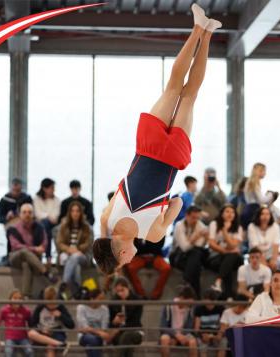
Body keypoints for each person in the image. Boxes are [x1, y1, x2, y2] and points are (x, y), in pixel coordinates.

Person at [94, 5, 223, 274]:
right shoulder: (106, 219)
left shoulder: (151, 234)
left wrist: (164, 210)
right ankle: (198, 28)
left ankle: (208, 33)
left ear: (122, 253)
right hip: (147, 146)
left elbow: (177, 202)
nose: (130, 261)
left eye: (124, 262)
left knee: (189, 95)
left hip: (171, 158)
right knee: (174, 87)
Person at [7, 203, 56, 297]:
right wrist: (34, 249)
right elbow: (16, 246)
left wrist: (37, 249)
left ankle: (26, 295)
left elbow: (44, 244)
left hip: (32, 259)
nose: (27, 214)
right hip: (16, 257)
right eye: (24, 212)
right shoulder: (13, 229)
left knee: (27, 264)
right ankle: (45, 272)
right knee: (24, 251)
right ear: (20, 214)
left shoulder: (40, 228)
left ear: (33, 214)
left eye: (29, 212)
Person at [55, 200, 93, 298]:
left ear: (81, 213)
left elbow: (88, 243)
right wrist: (69, 249)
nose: (75, 213)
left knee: (75, 257)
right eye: (73, 211)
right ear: (69, 212)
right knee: (75, 266)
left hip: (83, 255)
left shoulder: (86, 227)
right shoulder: (64, 226)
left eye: (77, 211)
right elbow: (59, 242)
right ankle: (77, 293)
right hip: (67, 254)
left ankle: (64, 284)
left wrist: (77, 249)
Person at [207, 204, 244, 298]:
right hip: (216, 257)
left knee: (232, 257)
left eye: (232, 212)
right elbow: (211, 244)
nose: (230, 214)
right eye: (227, 211)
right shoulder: (214, 224)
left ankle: (218, 281)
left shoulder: (238, 228)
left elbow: (232, 245)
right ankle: (229, 296)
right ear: (222, 213)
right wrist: (225, 251)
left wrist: (224, 231)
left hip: (235, 259)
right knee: (229, 263)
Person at [170, 205, 209, 296]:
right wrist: (195, 237)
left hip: (193, 255)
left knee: (196, 255)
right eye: (193, 218)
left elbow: (200, 246)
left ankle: (186, 284)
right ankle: (196, 296)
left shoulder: (201, 225)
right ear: (186, 215)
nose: (195, 220)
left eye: (198, 218)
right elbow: (184, 247)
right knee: (196, 265)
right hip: (178, 256)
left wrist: (202, 238)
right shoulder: (179, 225)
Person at [28, 286, 74, 357]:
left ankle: (56, 343)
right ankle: (61, 344)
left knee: (50, 347)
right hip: (42, 333)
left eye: (52, 303)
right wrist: (41, 329)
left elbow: (71, 325)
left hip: (56, 334)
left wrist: (61, 315)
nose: (50, 306)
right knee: (31, 333)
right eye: (48, 303)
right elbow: (31, 324)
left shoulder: (61, 307)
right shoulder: (40, 307)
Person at [0, 289, 33, 357]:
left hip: (23, 338)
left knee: (30, 351)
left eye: (20, 298)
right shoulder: (4, 310)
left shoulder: (26, 311)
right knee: (9, 352)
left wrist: (32, 338)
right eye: (15, 298)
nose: (17, 300)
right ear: (10, 299)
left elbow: (31, 324)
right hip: (10, 338)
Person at [108, 278, 144, 357]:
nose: (120, 293)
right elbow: (110, 324)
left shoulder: (137, 300)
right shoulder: (113, 302)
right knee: (128, 345)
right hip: (118, 333)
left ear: (128, 288)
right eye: (118, 291)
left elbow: (136, 322)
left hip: (134, 331)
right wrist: (114, 322)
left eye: (122, 290)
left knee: (126, 336)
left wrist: (121, 326)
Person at [159, 285, 198, 357]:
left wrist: (180, 337)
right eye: (188, 302)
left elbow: (189, 326)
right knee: (164, 339)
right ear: (181, 298)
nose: (190, 305)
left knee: (193, 342)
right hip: (170, 333)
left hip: (184, 333)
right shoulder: (168, 306)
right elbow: (163, 326)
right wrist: (176, 335)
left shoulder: (191, 308)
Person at [33, 178, 61, 265]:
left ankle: (47, 255)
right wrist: (48, 216)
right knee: (44, 227)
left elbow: (56, 215)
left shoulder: (57, 200)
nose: (54, 190)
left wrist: (47, 217)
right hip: (41, 223)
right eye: (51, 188)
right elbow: (37, 213)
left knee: (45, 226)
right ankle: (48, 256)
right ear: (44, 188)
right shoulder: (36, 199)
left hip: (53, 224)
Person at [77, 289, 111, 357]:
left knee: (90, 345)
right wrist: (99, 332)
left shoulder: (105, 309)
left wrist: (99, 333)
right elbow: (85, 328)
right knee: (92, 340)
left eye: (103, 299)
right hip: (84, 336)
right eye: (100, 299)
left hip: (98, 337)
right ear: (92, 299)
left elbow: (104, 328)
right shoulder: (81, 307)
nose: (102, 301)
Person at [241, 163, 276, 229]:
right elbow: (261, 200)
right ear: (259, 171)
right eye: (264, 171)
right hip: (253, 210)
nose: (265, 173)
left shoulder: (250, 182)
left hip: (248, 209)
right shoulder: (254, 183)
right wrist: (271, 194)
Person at [193, 289, 225, 357]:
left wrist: (220, 334)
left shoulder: (220, 308)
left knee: (223, 342)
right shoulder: (198, 308)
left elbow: (223, 324)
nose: (208, 304)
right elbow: (196, 328)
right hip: (203, 334)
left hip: (216, 333)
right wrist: (202, 335)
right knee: (203, 347)